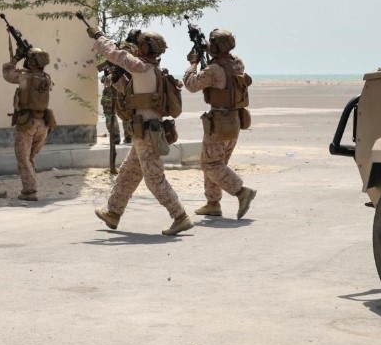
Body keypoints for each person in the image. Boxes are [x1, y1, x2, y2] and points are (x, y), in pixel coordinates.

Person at [89, 26, 192, 236]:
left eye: (141, 45)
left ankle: (180, 216)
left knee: (154, 179)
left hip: (147, 133)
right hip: (143, 132)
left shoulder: (142, 68)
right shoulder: (151, 71)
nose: (138, 49)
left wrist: (99, 37)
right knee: (129, 173)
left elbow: (115, 54)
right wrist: (117, 78)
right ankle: (113, 212)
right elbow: (133, 95)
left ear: (145, 48)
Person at [183, 28, 256, 219]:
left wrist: (193, 64)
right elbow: (223, 60)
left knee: (210, 164)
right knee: (217, 163)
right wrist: (208, 48)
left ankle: (242, 192)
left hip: (219, 122)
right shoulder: (237, 63)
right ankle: (213, 203)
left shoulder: (214, 69)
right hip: (235, 120)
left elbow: (191, 85)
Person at [3, 47, 55, 201]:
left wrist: (16, 58)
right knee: (30, 157)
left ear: (32, 62)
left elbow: (7, 73)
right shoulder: (47, 78)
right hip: (43, 123)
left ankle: (29, 191)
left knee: (23, 158)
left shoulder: (23, 76)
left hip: (27, 123)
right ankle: (31, 185)